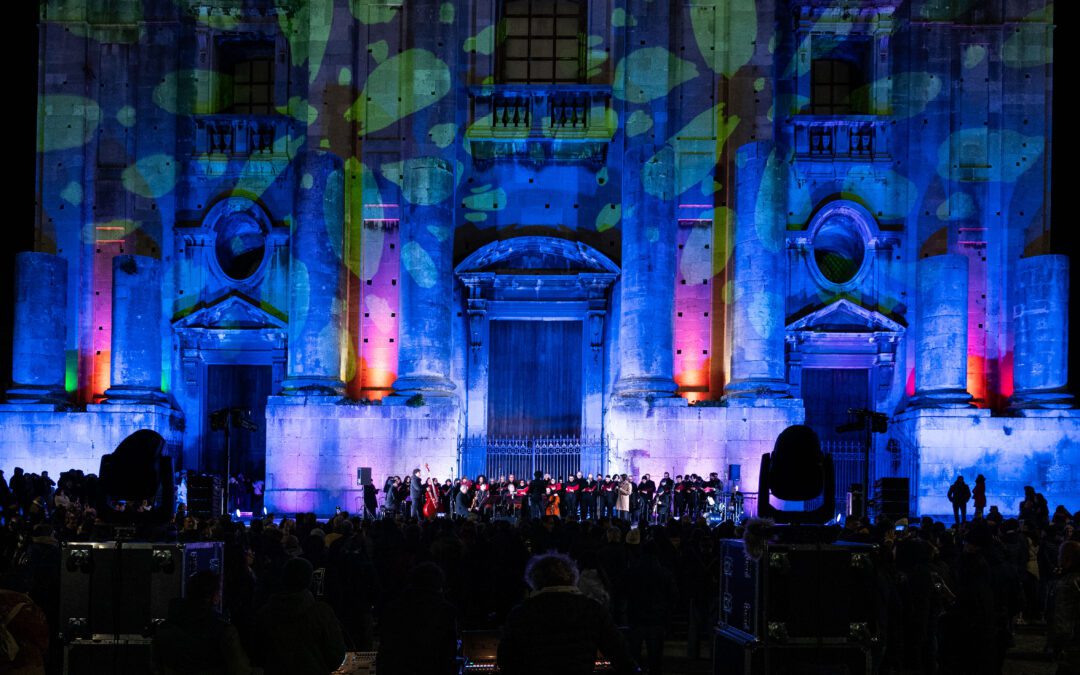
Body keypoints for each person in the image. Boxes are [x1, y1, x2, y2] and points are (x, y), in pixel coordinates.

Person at [497, 553, 638, 674]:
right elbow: (619, 653)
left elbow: (507, 660)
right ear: (572, 576)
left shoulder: (521, 613)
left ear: (534, 580)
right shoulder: (592, 609)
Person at [254, 557, 347, 675]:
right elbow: (336, 655)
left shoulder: (265, 613)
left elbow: (257, 654)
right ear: (309, 581)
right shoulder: (321, 612)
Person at [153, 571, 255, 674]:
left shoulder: (166, 628)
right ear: (213, 596)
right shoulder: (224, 632)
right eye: (219, 591)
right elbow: (240, 669)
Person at [376, 562, 459, 675]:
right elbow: (450, 651)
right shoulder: (446, 611)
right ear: (439, 585)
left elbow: (386, 649)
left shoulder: (394, 608)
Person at [1049, 540, 1080, 674]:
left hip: (1071, 641)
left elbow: (1061, 615)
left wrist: (1058, 642)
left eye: (1060, 555)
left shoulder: (1067, 584)